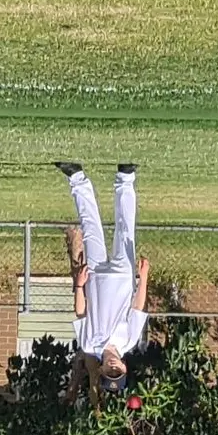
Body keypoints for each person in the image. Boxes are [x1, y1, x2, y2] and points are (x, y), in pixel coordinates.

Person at [56, 161, 150, 393]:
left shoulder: (89, 345)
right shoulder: (129, 341)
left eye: (110, 372)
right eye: (117, 370)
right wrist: (143, 277)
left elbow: (81, 313)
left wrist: (79, 286)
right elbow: (138, 307)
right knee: (125, 229)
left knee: (91, 227)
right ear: (124, 367)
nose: (113, 367)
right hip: (122, 276)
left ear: (101, 371)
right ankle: (125, 177)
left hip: (95, 277)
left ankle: (76, 177)